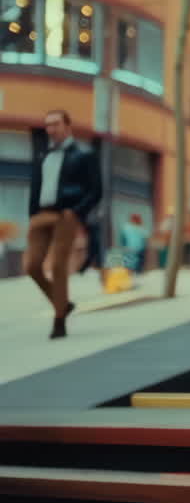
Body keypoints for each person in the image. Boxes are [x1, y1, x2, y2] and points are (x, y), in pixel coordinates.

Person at [26, 109, 101, 339]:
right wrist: (32, 214)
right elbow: (36, 187)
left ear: (68, 126)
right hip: (41, 214)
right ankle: (63, 304)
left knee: (59, 266)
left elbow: (96, 190)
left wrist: (76, 212)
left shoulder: (84, 155)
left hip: (65, 215)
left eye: (56, 124)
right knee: (32, 266)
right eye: (47, 125)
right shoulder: (43, 155)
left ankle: (59, 321)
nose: (51, 129)